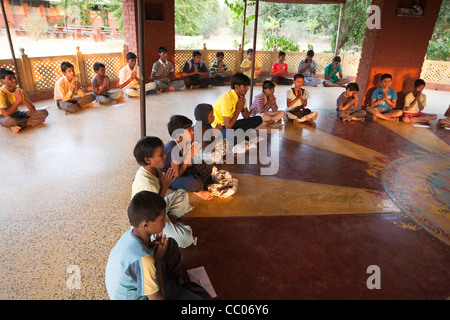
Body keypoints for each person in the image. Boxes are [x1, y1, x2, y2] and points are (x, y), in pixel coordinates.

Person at [105, 190, 212, 300]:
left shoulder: (129, 235)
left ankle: (174, 284)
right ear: (145, 225)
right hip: (146, 297)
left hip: (140, 281)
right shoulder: (144, 260)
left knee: (169, 244)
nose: (166, 221)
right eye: (162, 219)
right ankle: (173, 289)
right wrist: (157, 259)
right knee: (203, 297)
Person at [132, 136, 196, 248]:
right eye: (161, 154)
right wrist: (165, 186)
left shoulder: (153, 168)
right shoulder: (146, 182)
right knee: (186, 239)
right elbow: (152, 210)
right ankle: (160, 230)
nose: (165, 156)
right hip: (150, 219)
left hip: (158, 207)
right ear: (148, 160)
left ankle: (168, 221)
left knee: (182, 193)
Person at [162, 115, 214, 200]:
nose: (192, 132)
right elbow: (177, 174)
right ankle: (198, 191)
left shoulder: (184, 142)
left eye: (191, 129)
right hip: (171, 179)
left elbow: (189, 165)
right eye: (189, 131)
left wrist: (190, 156)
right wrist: (188, 157)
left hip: (182, 168)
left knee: (207, 163)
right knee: (194, 183)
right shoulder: (172, 149)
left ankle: (198, 184)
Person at [212, 73, 263, 138]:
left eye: (247, 86)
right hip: (221, 127)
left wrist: (242, 108)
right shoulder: (226, 98)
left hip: (231, 123)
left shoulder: (241, 97)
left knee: (258, 119)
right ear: (236, 87)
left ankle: (239, 134)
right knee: (232, 136)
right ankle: (238, 134)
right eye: (244, 86)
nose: (247, 88)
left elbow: (247, 117)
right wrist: (238, 109)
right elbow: (228, 126)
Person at [0, 68, 48, 133]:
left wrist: (23, 99)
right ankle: (25, 123)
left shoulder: (19, 91)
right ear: (3, 81)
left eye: (14, 77)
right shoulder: (1, 92)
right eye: (10, 78)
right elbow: (5, 114)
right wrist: (17, 101)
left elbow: (33, 110)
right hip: (4, 117)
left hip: (17, 114)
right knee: (9, 121)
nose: (14, 80)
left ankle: (18, 125)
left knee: (44, 112)